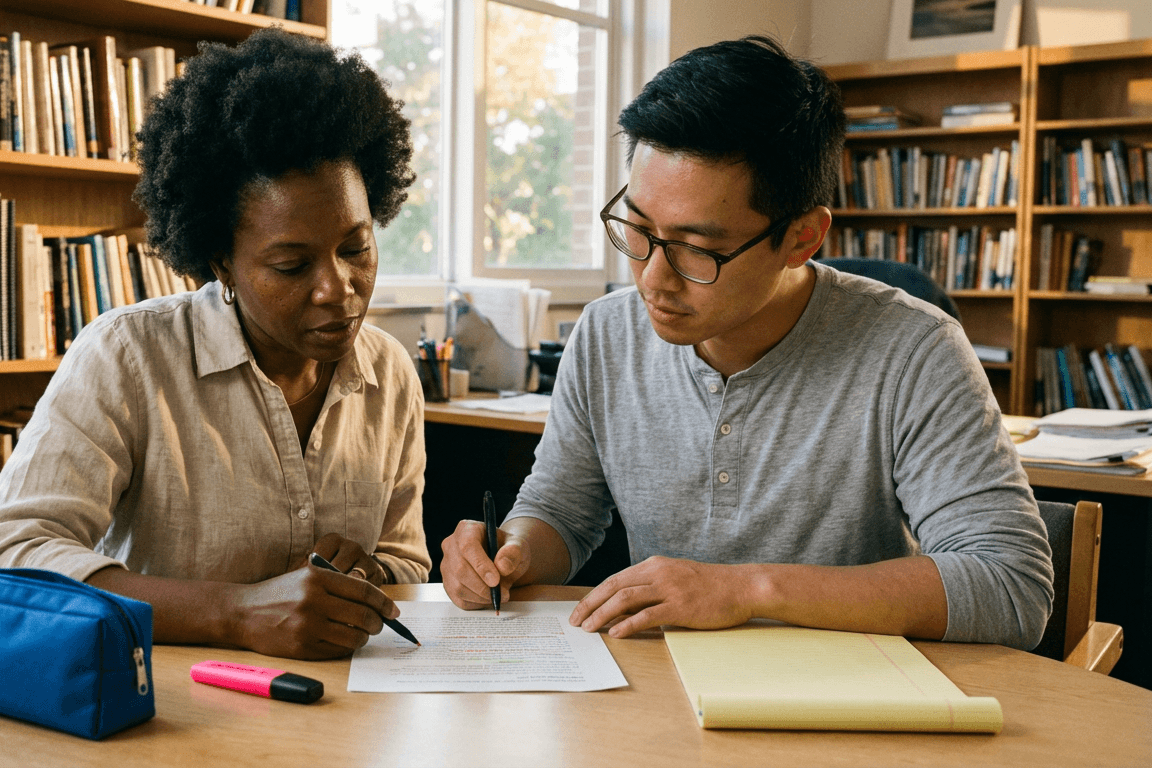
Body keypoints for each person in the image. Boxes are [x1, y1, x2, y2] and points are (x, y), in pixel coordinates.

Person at [440, 36, 1053, 650]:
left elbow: (1010, 586)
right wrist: (510, 550)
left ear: (802, 238)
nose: (653, 279)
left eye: (697, 249)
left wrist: (746, 590)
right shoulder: (605, 335)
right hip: (665, 698)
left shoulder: (914, 350)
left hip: (850, 704)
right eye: (637, 227)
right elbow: (562, 514)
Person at [0, 29, 431, 660]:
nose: (337, 289)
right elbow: (5, 556)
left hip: (337, 716)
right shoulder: (128, 357)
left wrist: (365, 580)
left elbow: (406, 560)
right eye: (292, 265)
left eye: (356, 248)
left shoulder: (390, 373)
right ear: (221, 265)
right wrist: (233, 613)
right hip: (161, 711)